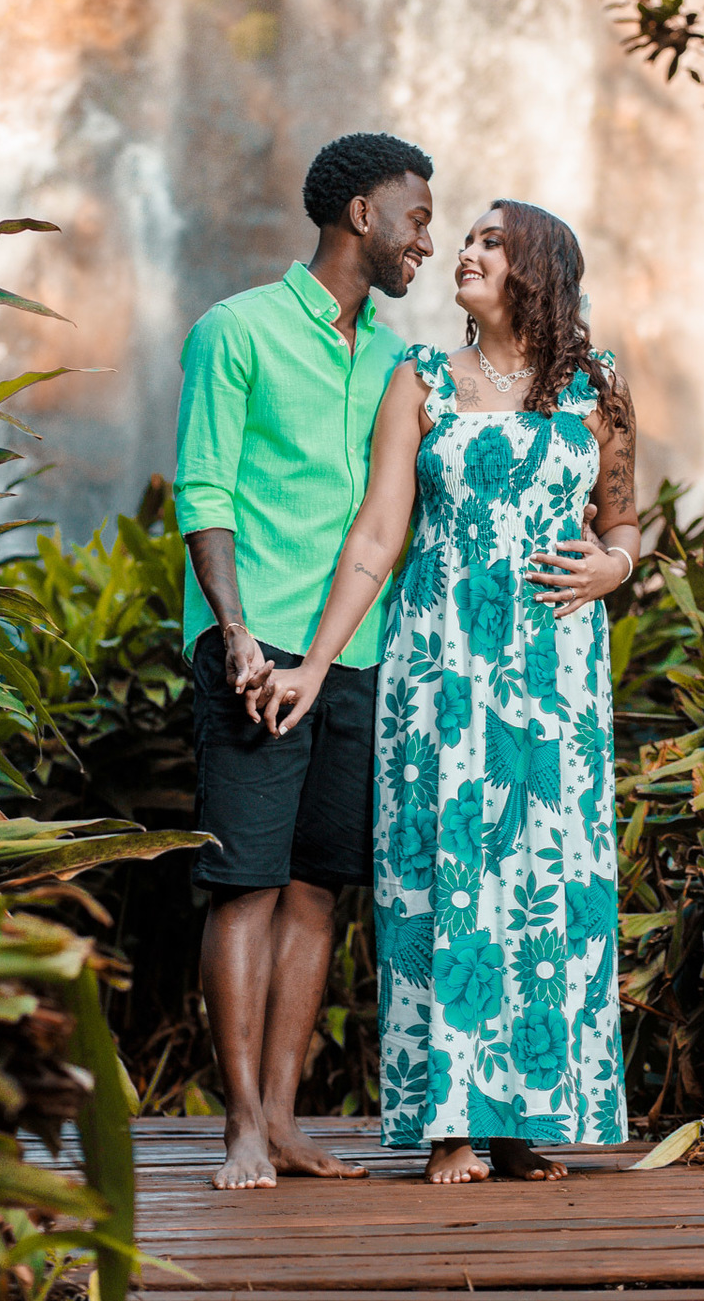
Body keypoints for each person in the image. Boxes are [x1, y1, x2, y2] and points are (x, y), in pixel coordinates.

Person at [261, 199, 639, 1183]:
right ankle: (451, 1125)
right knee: (445, 872)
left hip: (555, 674)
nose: (464, 252)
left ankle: (518, 1122)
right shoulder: (421, 378)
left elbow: (622, 520)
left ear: (538, 269)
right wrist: (315, 662)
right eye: (466, 239)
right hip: (440, 667)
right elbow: (378, 532)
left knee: (543, 877)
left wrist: (615, 567)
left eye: (490, 242)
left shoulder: (597, 385)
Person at [173, 131, 435, 1189]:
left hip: (354, 651)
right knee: (245, 883)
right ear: (362, 215)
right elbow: (204, 489)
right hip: (256, 644)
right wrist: (233, 628)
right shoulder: (234, 331)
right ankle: (240, 1124)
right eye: (418, 217)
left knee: (319, 888)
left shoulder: (398, 361)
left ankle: (283, 1120)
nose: (428, 241)